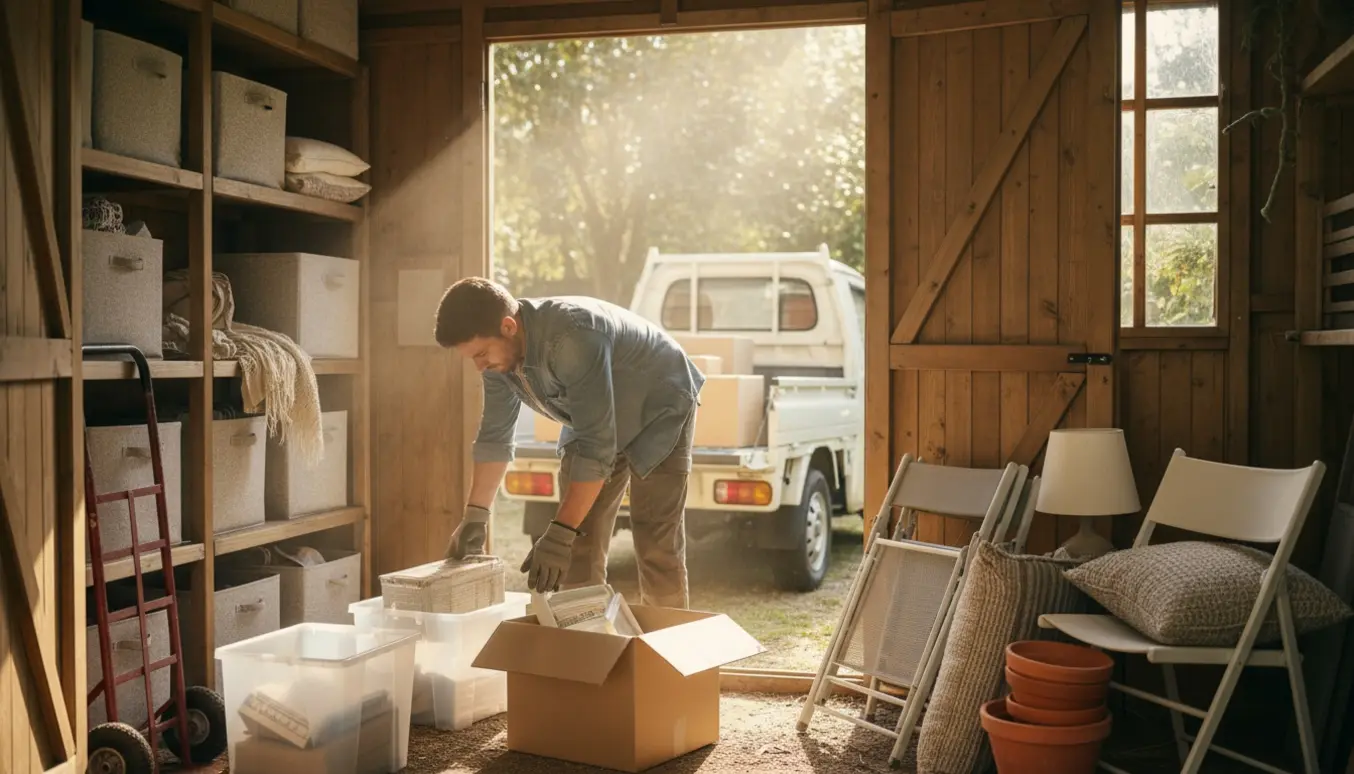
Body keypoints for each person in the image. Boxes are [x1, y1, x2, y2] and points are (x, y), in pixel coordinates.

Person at [434, 277, 704, 609]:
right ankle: (589, 645)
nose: (479, 366)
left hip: (659, 402)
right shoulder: (498, 361)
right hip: (591, 412)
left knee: (655, 543)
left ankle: (667, 648)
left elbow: (596, 446)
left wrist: (561, 530)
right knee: (577, 545)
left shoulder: (572, 337)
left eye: (481, 354)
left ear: (507, 327)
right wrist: (475, 516)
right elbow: (495, 436)